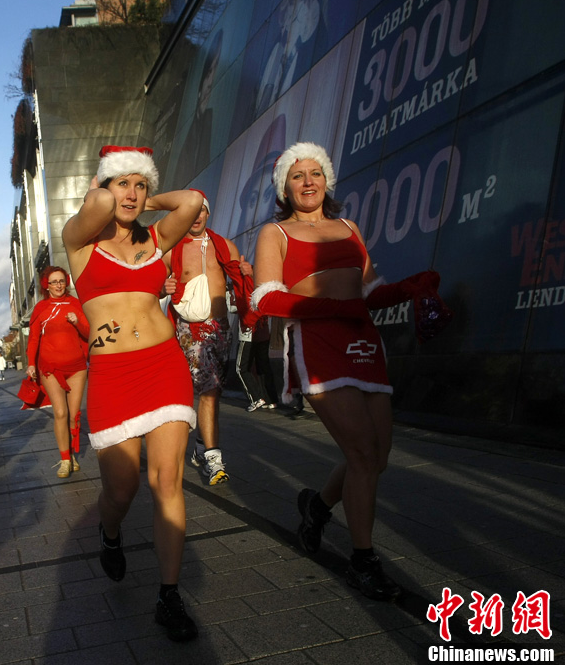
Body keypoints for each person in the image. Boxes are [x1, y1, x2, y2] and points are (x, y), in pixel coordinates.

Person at [252, 142, 441, 601]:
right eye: (298, 176)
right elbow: (267, 299)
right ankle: (363, 561)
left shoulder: (349, 227)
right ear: (284, 187)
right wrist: (335, 307)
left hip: (363, 342)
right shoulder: (275, 232)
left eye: (316, 173)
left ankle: (317, 508)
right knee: (360, 453)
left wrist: (411, 288)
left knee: (377, 457)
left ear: (327, 180)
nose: (308, 182)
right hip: (318, 345)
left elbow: (369, 293)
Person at [62, 144, 202, 642]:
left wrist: (144, 199)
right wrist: (108, 193)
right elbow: (100, 206)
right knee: (122, 490)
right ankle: (110, 532)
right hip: (113, 374)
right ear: (103, 185)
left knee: (167, 482)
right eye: (123, 182)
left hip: (164, 366)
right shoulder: (79, 242)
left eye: (141, 185)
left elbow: (192, 200)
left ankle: (169, 595)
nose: (133, 193)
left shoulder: (155, 239)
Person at [163, 193, 255, 486]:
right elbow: (153, 286)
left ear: (207, 214)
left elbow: (239, 280)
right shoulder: (172, 250)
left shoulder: (224, 245)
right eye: (192, 212)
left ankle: (201, 447)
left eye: (201, 211)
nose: (196, 217)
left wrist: (247, 274)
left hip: (221, 328)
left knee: (213, 392)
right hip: (191, 329)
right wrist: (164, 287)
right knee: (210, 390)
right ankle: (214, 460)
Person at [25, 266, 89, 478]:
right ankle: (64, 459)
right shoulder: (41, 308)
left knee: (73, 415)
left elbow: (88, 333)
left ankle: (72, 454)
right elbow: (33, 339)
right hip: (50, 368)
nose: (58, 285)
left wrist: (77, 321)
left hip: (77, 368)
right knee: (60, 413)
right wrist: (31, 363)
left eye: (61, 281)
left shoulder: (75, 304)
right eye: (54, 282)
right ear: (47, 285)